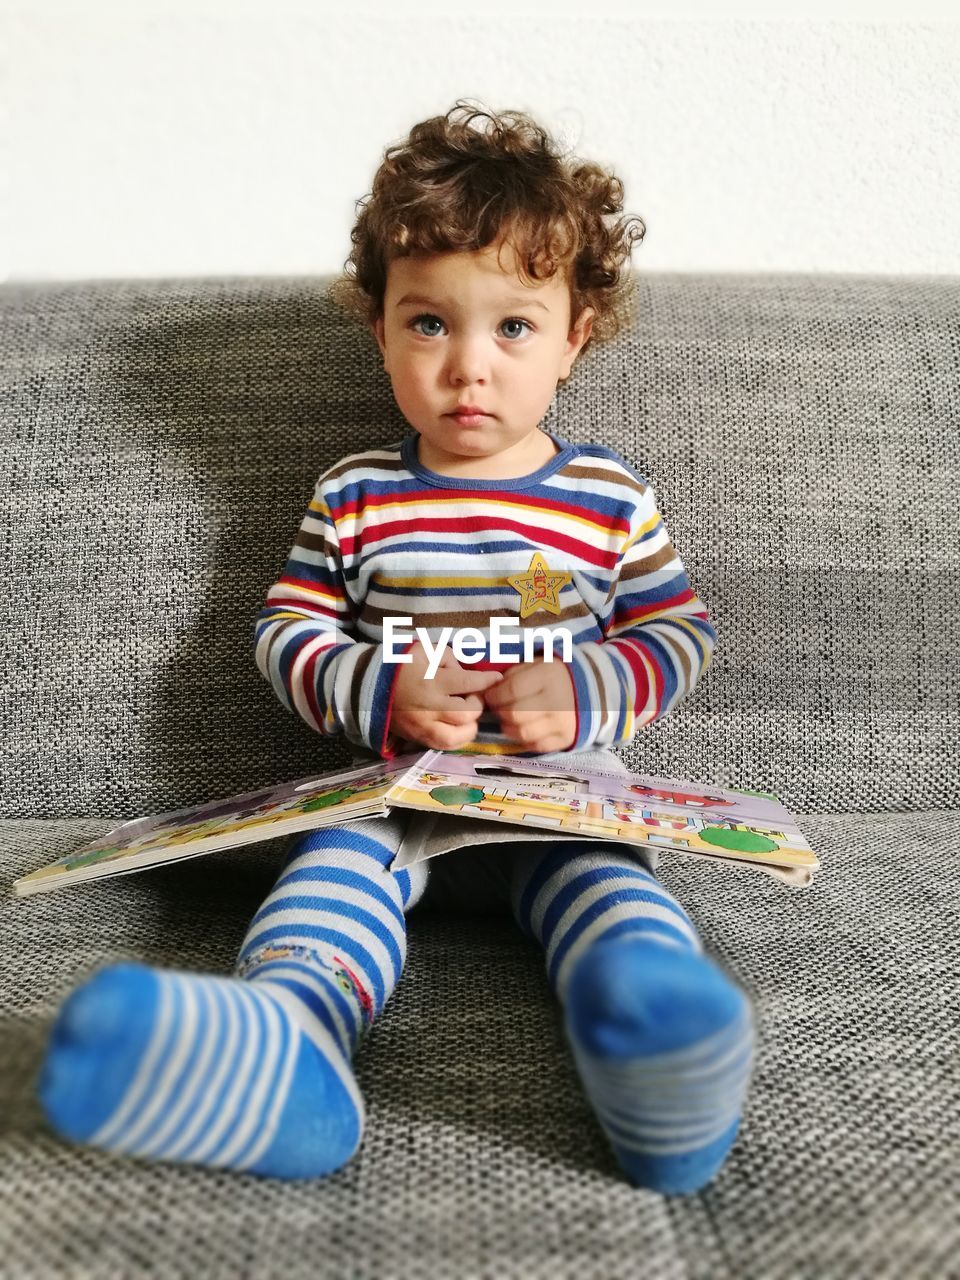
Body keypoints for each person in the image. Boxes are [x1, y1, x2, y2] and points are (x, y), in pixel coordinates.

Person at [37, 101, 754, 1196]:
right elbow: (286, 631)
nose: (469, 366)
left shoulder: (609, 498)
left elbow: (677, 630)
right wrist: (382, 692)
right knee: (330, 872)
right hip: (393, 786)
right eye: (429, 323)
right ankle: (289, 1047)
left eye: (512, 326)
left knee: (607, 886)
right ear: (378, 328)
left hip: (556, 792)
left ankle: (653, 1041)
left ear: (576, 337)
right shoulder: (355, 494)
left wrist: (585, 685)